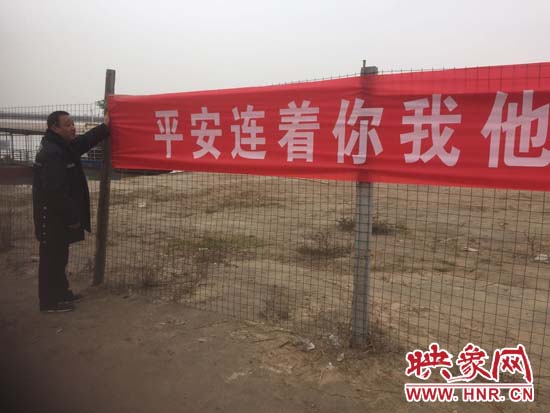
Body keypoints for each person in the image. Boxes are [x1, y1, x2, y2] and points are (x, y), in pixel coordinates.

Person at [32, 110, 110, 312]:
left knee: (60, 255)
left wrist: (105, 127)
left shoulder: (62, 146)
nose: (73, 127)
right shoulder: (52, 153)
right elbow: (54, 191)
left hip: (57, 216)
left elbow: (84, 142)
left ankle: (61, 293)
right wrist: (72, 217)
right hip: (51, 217)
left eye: (73, 123)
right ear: (54, 128)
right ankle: (49, 302)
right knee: (51, 258)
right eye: (67, 125)